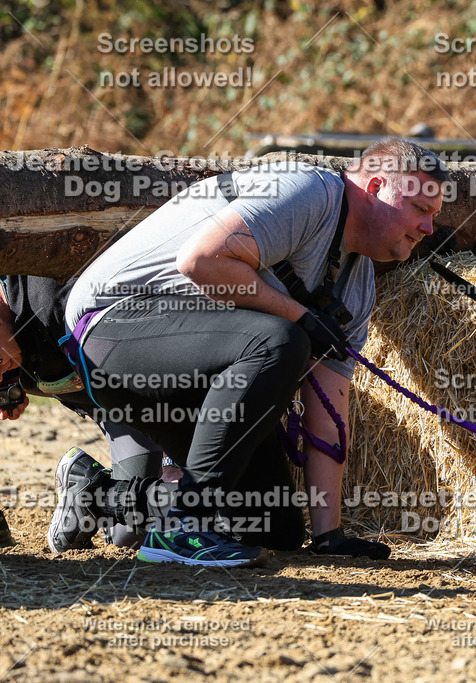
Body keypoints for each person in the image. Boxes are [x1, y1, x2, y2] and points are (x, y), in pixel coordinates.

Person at [52, 137, 449, 567]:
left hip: (190, 380)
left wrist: (330, 535)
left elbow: (328, 412)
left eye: (434, 216)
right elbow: (201, 261)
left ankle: (95, 493)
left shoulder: (358, 284)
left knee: (274, 526)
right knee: (282, 340)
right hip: (108, 332)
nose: (429, 228)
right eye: (421, 209)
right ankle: (184, 527)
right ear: (374, 188)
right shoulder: (311, 193)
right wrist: (300, 317)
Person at [0, 274, 171, 549]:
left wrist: (171, 458)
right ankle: (90, 493)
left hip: (154, 394)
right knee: (128, 535)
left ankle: (97, 493)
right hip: (117, 411)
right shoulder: (11, 351)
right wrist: (14, 381)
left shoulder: (50, 303)